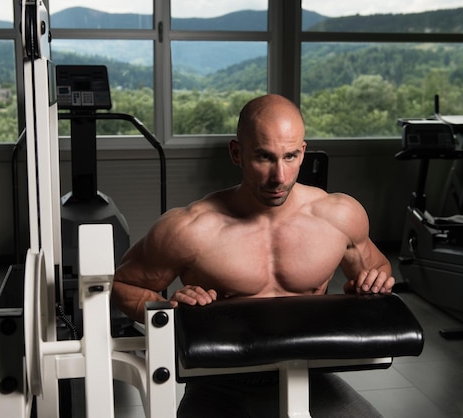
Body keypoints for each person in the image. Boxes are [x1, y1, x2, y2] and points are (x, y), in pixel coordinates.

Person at [112, 93, 394, 417]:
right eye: (264, 157)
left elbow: (377, 268)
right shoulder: (190, 229)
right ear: (237, 153)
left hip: (310, 374)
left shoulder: (339, 216)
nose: (279, 177)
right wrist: (172, 312)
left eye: (290, 157)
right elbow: (123, 285)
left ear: (303, 152)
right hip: (219, 382)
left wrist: (372, 283)